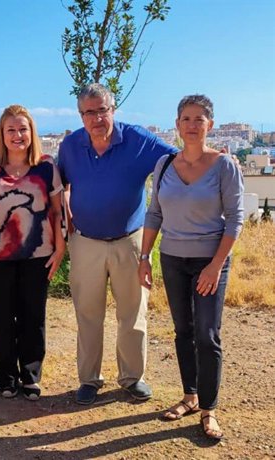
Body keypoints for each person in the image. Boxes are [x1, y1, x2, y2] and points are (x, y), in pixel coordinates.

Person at [57, 83, 177, 405]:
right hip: (85, 243)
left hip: (130, 242)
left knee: (133, 313)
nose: (97, 118)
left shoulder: (138, 140)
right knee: (88, 314)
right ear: (80, 115)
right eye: (89, 112)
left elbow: (178, 161)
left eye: (102, 110)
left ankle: (132, 378)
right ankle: (89, 380)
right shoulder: (69, 146)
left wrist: (216, 163)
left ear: (113, 109)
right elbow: (59, 183)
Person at [138, 95, 243, 441]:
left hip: (209, 262)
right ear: (177, 124)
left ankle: (210, 409)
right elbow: (154, 214)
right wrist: (145, 257)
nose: (192, 125)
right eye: (186, 118)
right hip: (172, 258)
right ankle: (190, 396)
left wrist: (216, 265)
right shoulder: (165, 165)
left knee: (206, 334)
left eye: (200, 119)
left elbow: (235, 221)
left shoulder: (225, 166)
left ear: (210, 125)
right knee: (183, 330)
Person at [0, 105, 66, 400]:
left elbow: (57, 211)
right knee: (0, 317)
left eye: (23, 129)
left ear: (32, 133)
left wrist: (60, 246)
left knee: (32, 316)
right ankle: (5, 378)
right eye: (11, 130)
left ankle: (30, 375)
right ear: (2, 134)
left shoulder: (46, 166)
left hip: (37, 254)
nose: (17, 135)